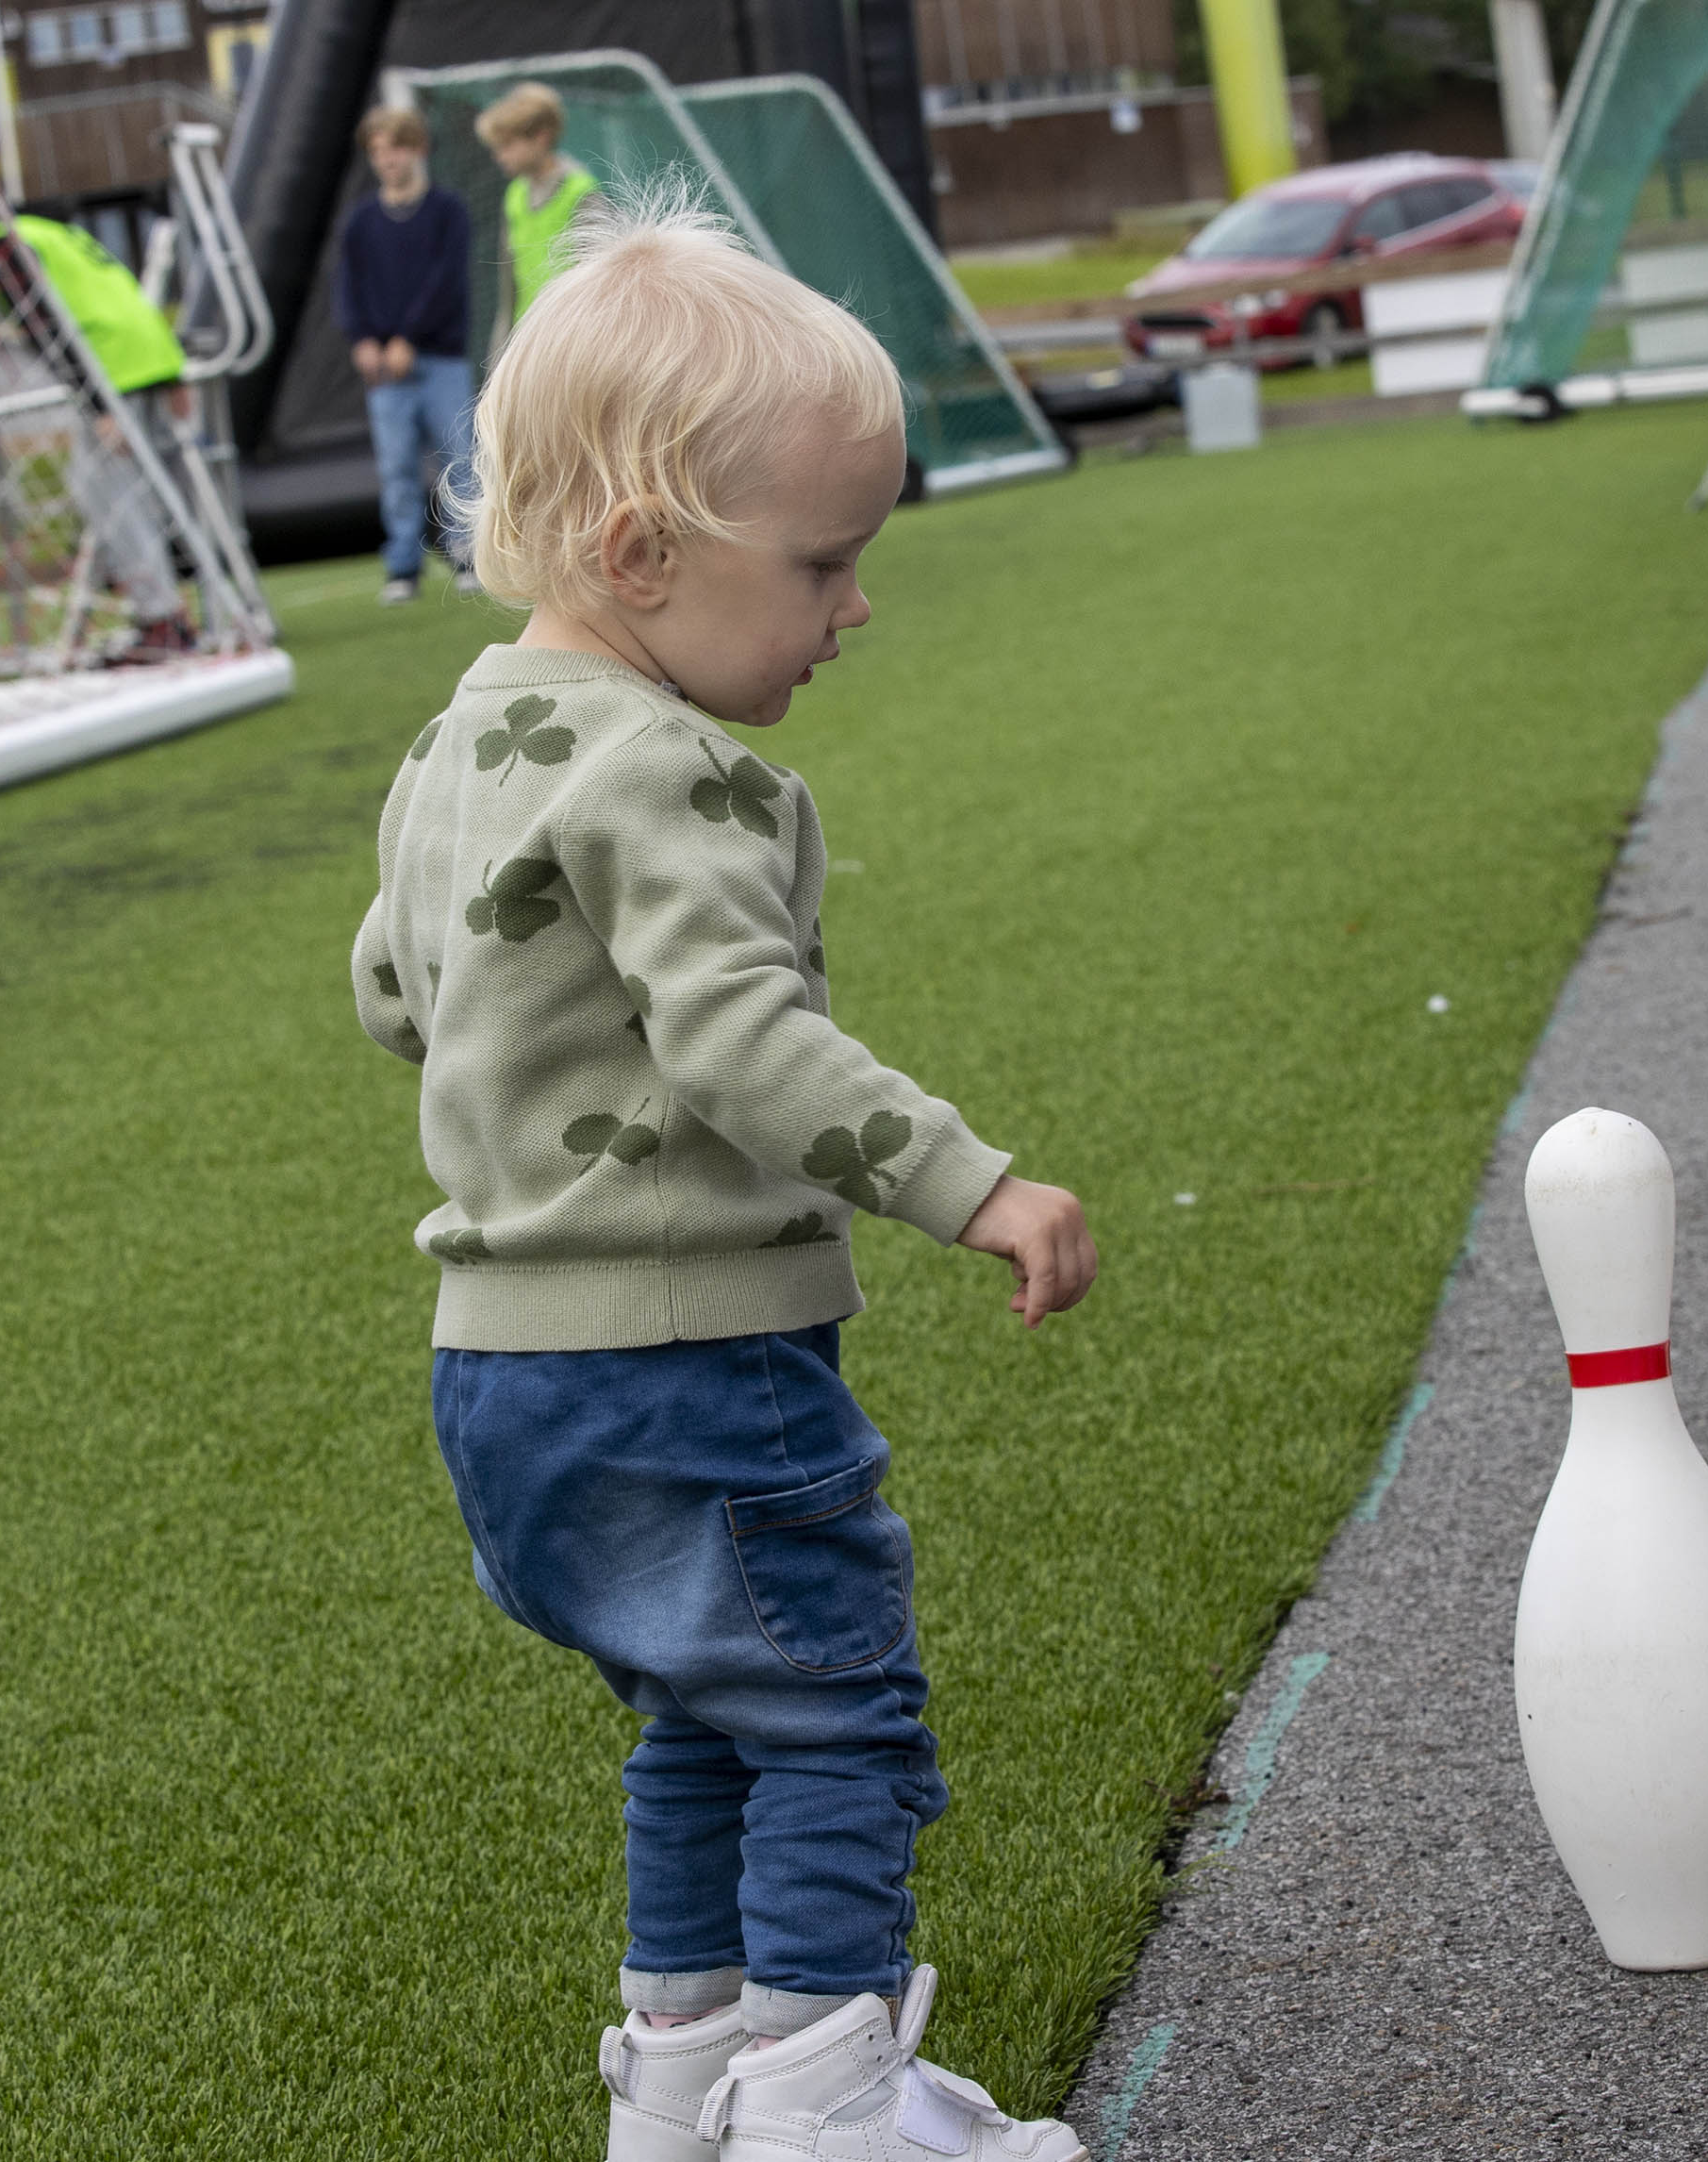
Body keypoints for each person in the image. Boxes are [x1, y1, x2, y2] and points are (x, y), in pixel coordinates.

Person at [348, 201, 1098, 2162]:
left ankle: (683, 2087)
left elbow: (389, 994)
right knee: (841, 1715)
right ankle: (831, 2106)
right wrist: (972, 1185)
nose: (854, 608)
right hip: (688, 1359)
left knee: (705, 1714)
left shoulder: (454, 752)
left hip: (501, 1378)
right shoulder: (673, 773)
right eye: (830, 562)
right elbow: (742, 1045)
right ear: (640, 552)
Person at [0, 158, 196, 663]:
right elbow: (116, 290)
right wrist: (168, 364)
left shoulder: (8, 249)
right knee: (123, 489)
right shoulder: (40, 230)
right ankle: (159, 605)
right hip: (143, 356)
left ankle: (161, 618)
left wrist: (98, 403)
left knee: (103, 491)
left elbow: (51, 330)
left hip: (115, 370)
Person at [334, 108, 473, 607]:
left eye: (395, 148)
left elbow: (445, 284)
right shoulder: (361, 222)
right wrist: (363, 340)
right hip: (385, 376)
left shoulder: (448, 212)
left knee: (461, 460)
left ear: (418, 149)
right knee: (396, 471)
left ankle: (468, 558)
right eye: (377, 151)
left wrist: (408, 338)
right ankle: (402, 569)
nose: (387, 160)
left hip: (441, 360)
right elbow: (348, 289)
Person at [473, 84, 599, 327]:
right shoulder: (515, 195)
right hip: (528, 336)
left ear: (541, 136)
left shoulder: (582, 193)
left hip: (571, 337)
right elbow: (508, 286)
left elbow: (599, 285)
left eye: (507, 145)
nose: (499, 156)